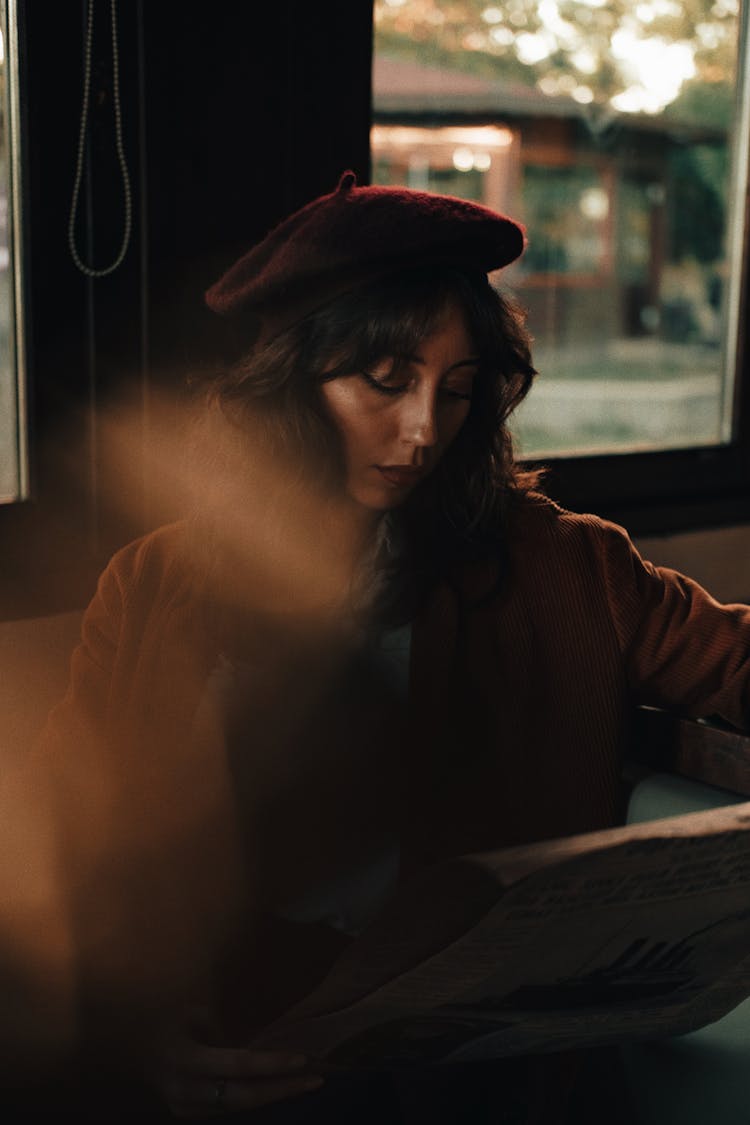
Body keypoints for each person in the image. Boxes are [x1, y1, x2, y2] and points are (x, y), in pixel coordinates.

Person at [34, 171, 750, 1123]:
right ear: (293, 381)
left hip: (480, 1068)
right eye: (386, 381)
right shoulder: (152, 584)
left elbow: (733, 660)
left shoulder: (564, 562)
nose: (423, 432)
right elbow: (67, 846)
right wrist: (142, 1039)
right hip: (247, 1041)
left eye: (457, 391)